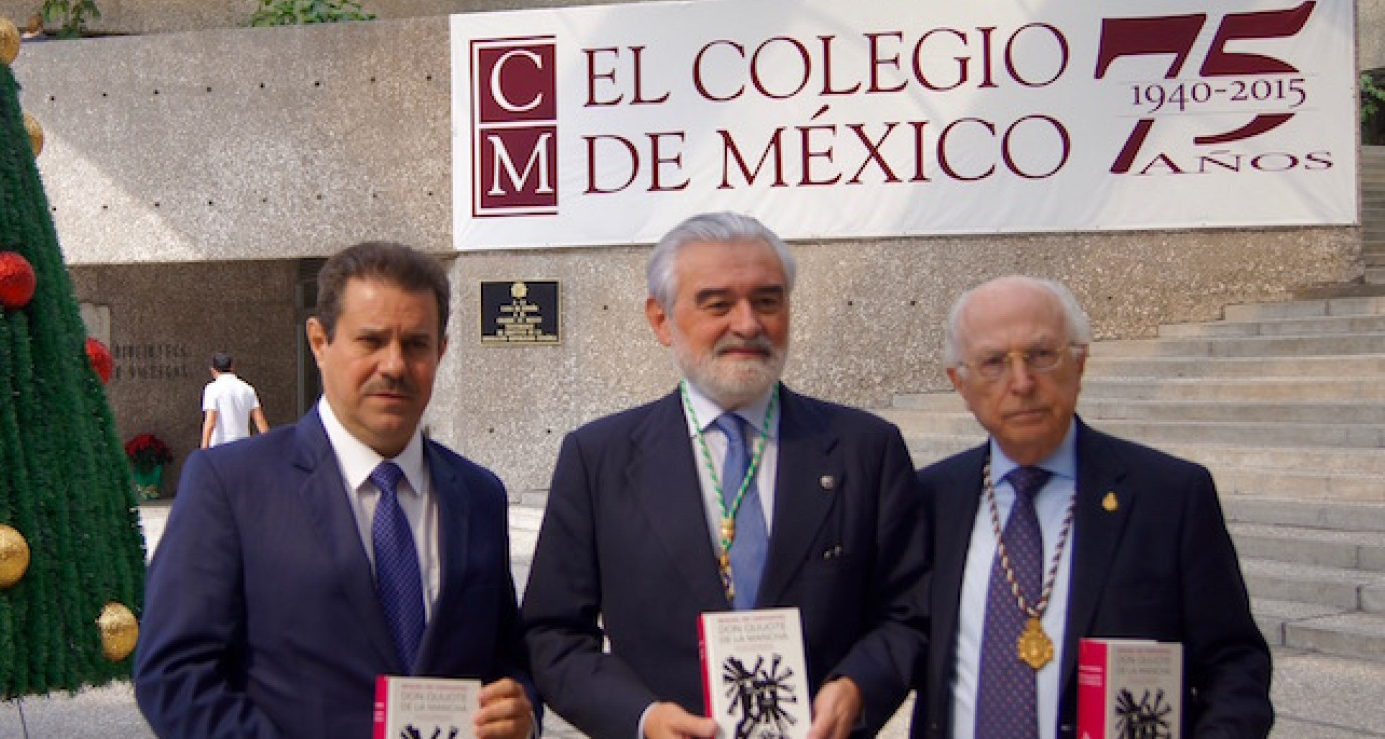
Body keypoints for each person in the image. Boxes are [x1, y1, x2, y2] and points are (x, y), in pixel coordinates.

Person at [521, 212, 928, 739]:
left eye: (767, 301)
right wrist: (642, 719)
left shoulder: (865, 449)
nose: (748, 324)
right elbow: (553, 635)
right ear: (661, 319)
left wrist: (857, 687)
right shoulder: (598, 458)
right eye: (718, 304)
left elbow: (907, 613)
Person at [135, 242, 536, 738]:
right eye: (371, 341)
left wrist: (521, 717)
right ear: (319, 342)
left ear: (441, 351)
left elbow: (506, 658)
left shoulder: (479, 495)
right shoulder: (230, 486)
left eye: (416, 344)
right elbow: (173, 675)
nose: (394, 365)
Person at [910, 275, 1272, 739]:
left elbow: (1235, 666)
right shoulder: (930, 500)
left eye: (1042, 355)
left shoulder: (1170, 497)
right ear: (959, 383)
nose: (1021, 382)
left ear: (1080, 362)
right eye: (993, 362)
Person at [201, 351, 268, 448]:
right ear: (232, 367)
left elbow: (210, 421)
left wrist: (204, 449)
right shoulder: (247, 388)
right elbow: (259, 420)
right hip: (243, 446)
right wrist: (270, 445)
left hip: (220, 447)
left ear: (213, 370)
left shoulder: (212, 389)